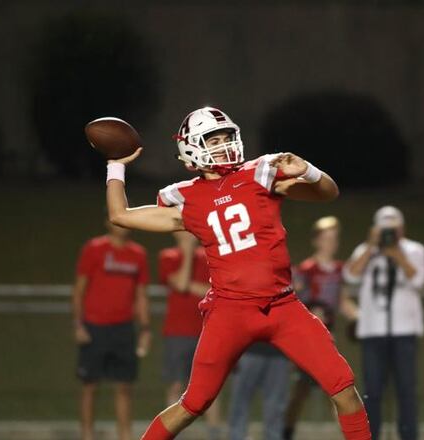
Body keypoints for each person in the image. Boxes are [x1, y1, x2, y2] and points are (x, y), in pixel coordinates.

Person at [103, 107, 371, 440]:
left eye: (227, 137)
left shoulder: (260, 174)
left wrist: (310, 171)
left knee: (344, 388)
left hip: (283, 307)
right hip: (230, 311)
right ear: (192, 150)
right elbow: (120, 215)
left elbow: (328, 193)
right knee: (194, 403)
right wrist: (116, 164)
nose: (224, 145)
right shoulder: (187, 199)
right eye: (213, 140)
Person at [343, 206, 424, 440]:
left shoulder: (414, 250)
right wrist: (371, 246)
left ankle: (409, 435)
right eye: (385, 229)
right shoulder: (366, 250)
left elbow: (419, 280)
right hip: (372, 330)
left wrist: (398, 255)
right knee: (373, 391)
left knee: (406, 391)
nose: (390, 233)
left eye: (394, 228)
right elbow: (350, 275)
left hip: (405, 331)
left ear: (402, 228)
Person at [71, 221, 151, 440]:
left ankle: (124, 435)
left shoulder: (138, 254)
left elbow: (141, 294)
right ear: (108, 222)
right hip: (94, 327)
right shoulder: (94, 249)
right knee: (89, 386)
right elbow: (79, 289)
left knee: (124, 387)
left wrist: (145, 328)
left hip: (124, 329)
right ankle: (87, 435)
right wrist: (78, 324)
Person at [283, 216, 359, 440]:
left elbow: (342, 301)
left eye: (334, 239)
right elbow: (292, 301)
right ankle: (286, 432)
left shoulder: (338, 270)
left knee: (339, 390)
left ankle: (349, 434)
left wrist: (359, 317)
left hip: (330, 339)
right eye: (326, 238)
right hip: (308, 340)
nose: (331, 243)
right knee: (299, 392)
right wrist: (309, 315)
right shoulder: (307, 270)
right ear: (316, 240)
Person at [158, 231, 223, 440]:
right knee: (176, 385)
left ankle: (214, 434)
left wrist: (190, 286)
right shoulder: (168, 257)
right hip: (176, 333)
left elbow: (215, 290)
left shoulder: (207, 257)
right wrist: (186, 253)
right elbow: (182, 283)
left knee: (210, 388)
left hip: (205, 331)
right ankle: (171, 434)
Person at [228, 342, 290, 440]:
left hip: (277, 353)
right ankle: (237, 436)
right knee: (240, 402)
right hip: (249, 351)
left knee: (275, 406)